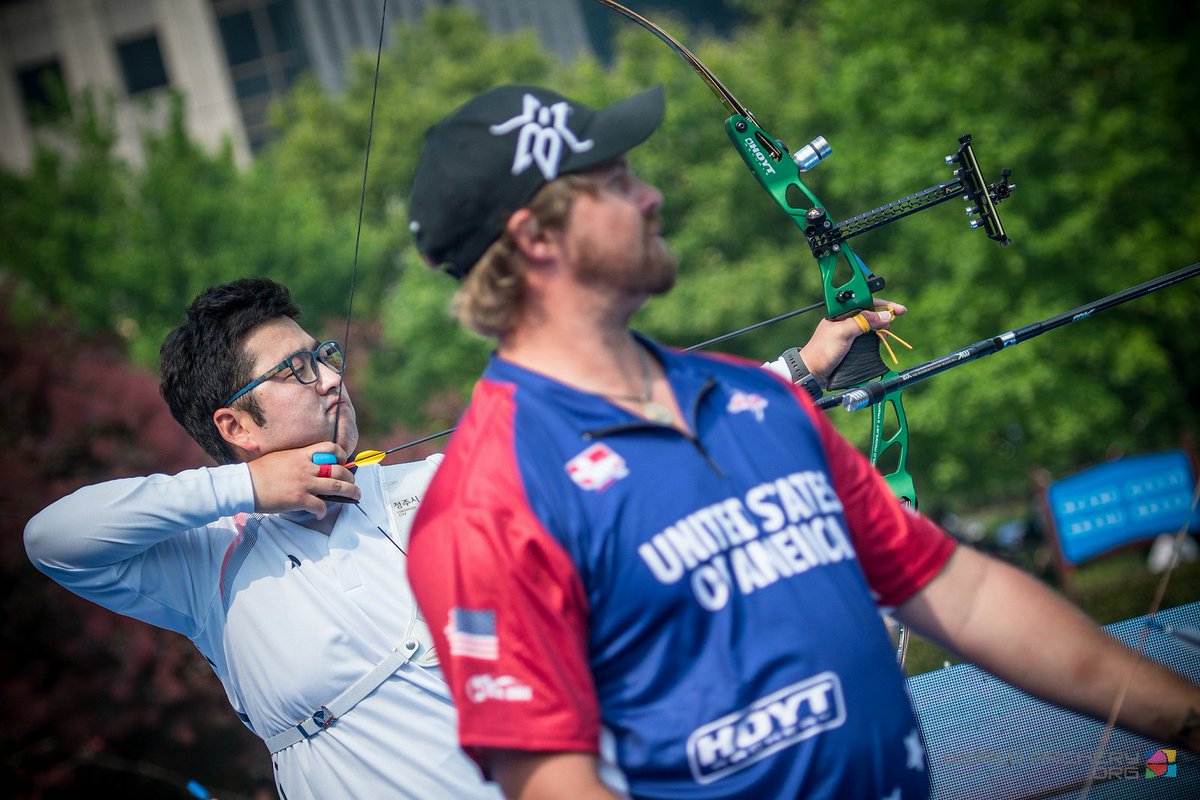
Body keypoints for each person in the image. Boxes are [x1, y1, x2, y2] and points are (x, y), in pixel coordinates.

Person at [402, 84, 1200, 799]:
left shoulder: (752, 398)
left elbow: (964, 595)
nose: (649, 196)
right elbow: (555, 784)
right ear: (536, 240)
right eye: (613, 182)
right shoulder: (484, 505)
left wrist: (1186, 717)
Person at [23, 278, 503, 799]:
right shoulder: (208, 560)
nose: (331, 378)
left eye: (324, 356)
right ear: (237, 427)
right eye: (296, 369)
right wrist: (249, 486)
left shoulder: (437, 483)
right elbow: (51, 539)